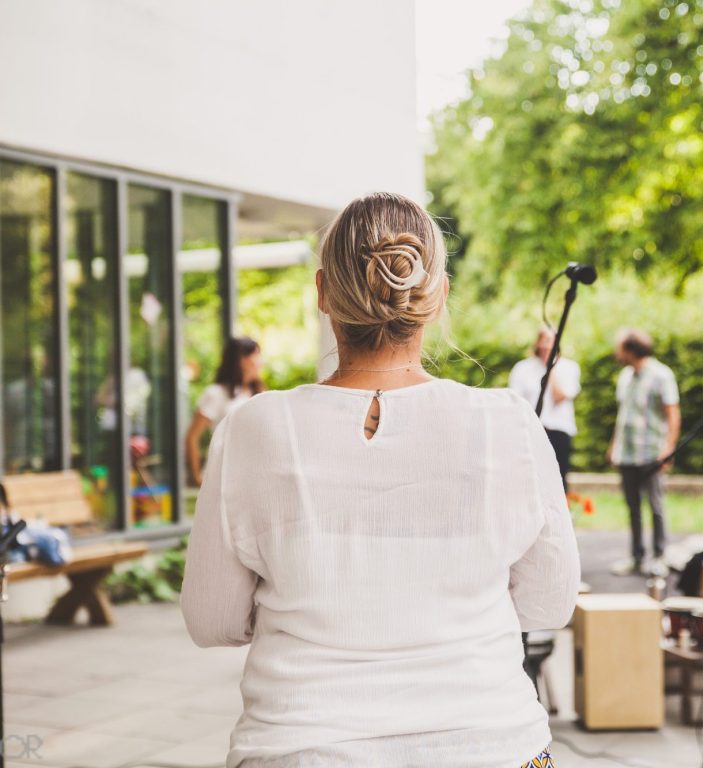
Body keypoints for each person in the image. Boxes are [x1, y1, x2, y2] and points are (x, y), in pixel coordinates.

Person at [180, 192, 580, 768]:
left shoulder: (252, 427)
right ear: (438, 294)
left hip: (301, 747)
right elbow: (549, 602)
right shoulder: (508, 421)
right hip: (493, 745)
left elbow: (212, 620)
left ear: (322, 293)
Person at [607, 329, 681, 578]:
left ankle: (660, 556)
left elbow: (673, 414)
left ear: (630, 350)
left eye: (620, 348)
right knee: (633, 507)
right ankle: (637, 557)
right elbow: (623, 415)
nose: (617, 353)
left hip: (652, 453)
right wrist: (614, 447)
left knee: (656, 506)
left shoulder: (662, 375)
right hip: (627, 454)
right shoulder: (625, 376)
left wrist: (668, 450)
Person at [184, 337, 266, 487]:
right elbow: (192, 437)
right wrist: (197, 476)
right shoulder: (216, 394)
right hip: (222, 478)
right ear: (241, 360)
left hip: (254, 478)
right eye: (256, 355)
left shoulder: (260, 395)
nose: (261, 362)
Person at [509, 326, 581, 491]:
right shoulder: (522, 368)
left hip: (558, 431)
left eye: (552, 340)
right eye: (544, 339)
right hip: (531, 430)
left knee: (559, 478)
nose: (547, 344)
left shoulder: (570, 368)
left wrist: (551, 367)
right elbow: (516, 401)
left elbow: (560, 396)